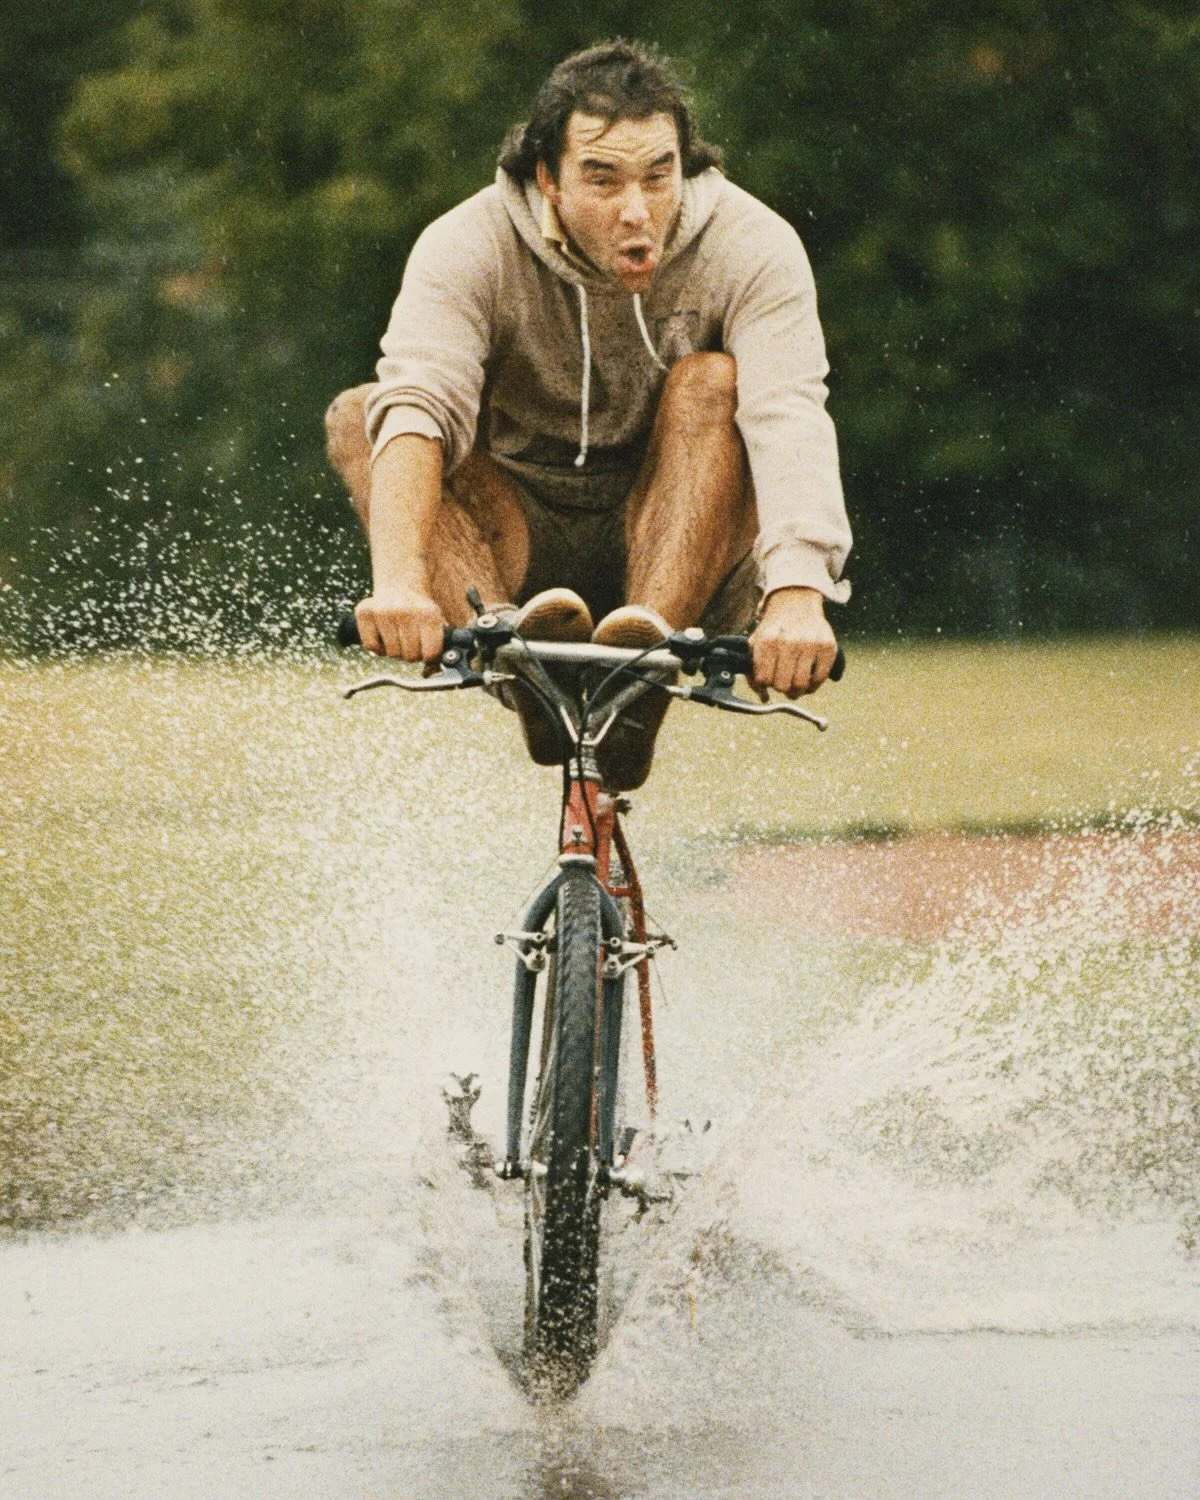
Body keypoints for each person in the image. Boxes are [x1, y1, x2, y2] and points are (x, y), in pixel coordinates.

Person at [325, 39, 851, 789]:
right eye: (602, 180)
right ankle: (523, 675)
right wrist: (400, 583)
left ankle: (635, 687)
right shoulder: (466, 245)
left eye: (658, 177)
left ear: (685, 168)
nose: (637, 212)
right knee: (362, 413)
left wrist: (798, 596)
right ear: (548, 179)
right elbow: (419, 405)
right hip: (513, 550)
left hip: (681, 540)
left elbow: (789, 414)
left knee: (715, 382)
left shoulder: (753, 244)